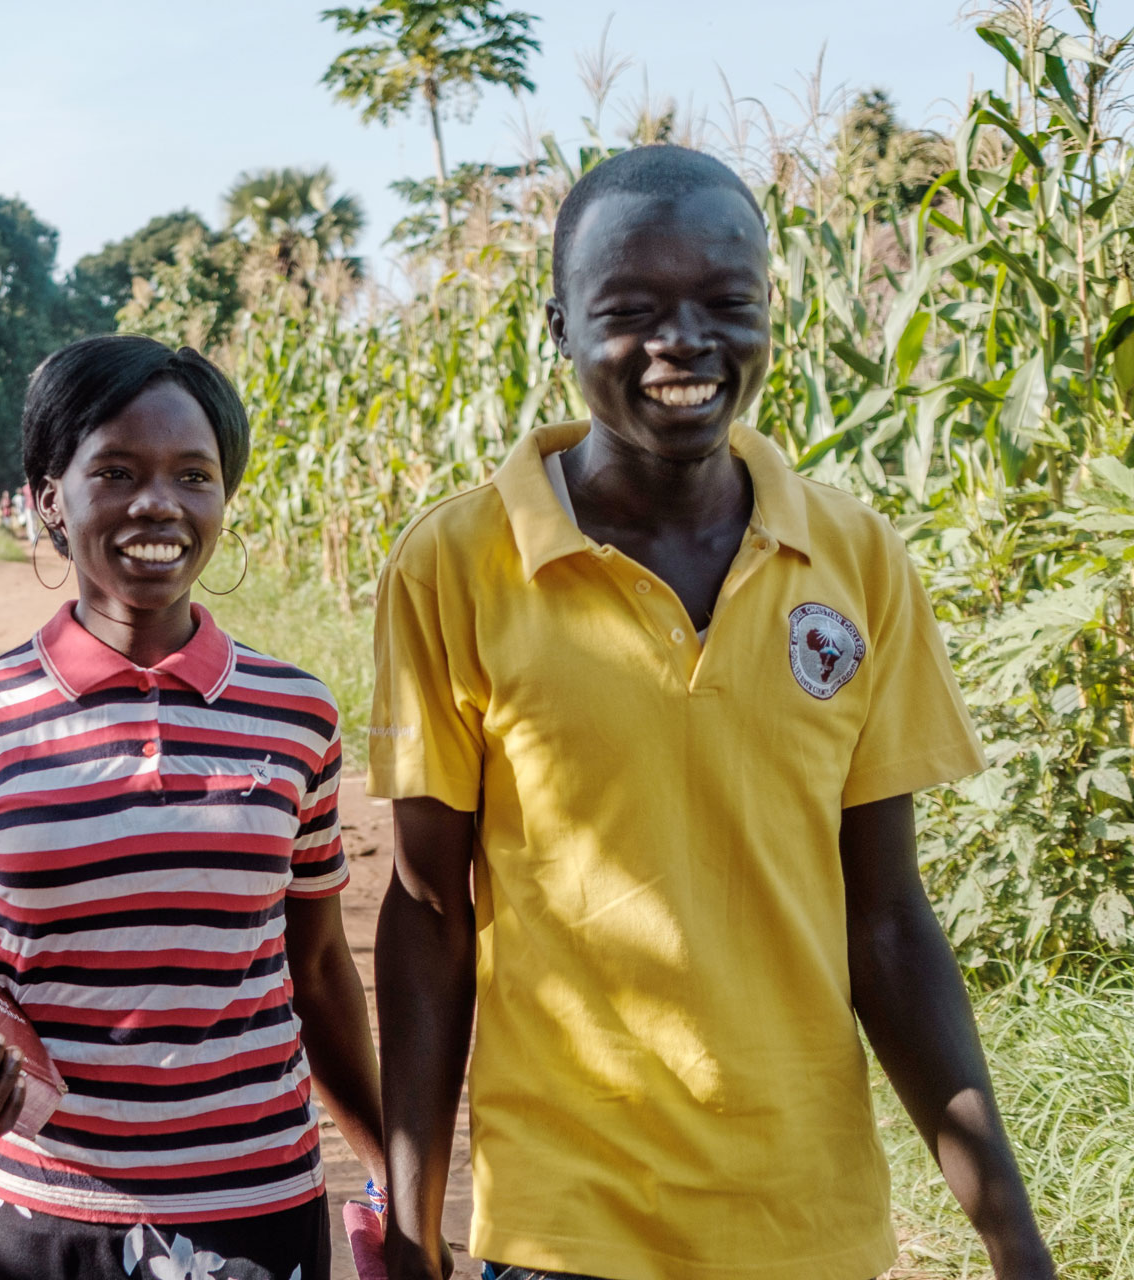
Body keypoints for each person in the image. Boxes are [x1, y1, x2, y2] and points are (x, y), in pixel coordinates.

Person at [368, 145, 1054, 1280]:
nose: (683, 341)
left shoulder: (855, 556)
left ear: (768, 312)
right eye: (631, 308)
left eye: (725, 303)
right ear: (559, 324)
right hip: (566, 1223)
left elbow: (884, 919)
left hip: (806, 1221)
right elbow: (431, 910)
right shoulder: (456, 564)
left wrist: (1011, 1234)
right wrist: (411, 1224)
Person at [0, 334, 387, 1280]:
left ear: (223, 500)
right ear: (48, 500)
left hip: (255, 1205)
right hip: (33, 1206)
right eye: (114, 470)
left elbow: (316, 970)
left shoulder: (296, 716)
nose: (158, 502)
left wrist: (393, 1173)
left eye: (193, 475)